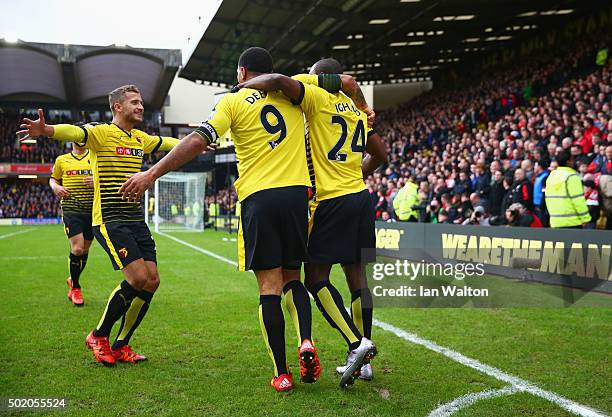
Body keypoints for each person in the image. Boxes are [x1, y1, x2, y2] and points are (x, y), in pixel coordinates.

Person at [118, 47, 364, 392]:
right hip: (298, 196)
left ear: (241, 72)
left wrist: (152, 174)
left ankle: (281, 372)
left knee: (269, 288)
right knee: (294, 277)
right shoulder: (296, 89)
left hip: (259, 198)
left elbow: (198, 139)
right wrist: (364, 106)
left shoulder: (232, 101)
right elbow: (348, 82)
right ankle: (306, 340)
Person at [18, 85, 183, 366]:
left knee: (152, 281)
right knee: (137, 278)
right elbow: (74, 132)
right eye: (134, 102)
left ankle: (121, 344)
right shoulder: (100, 133)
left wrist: (196, 140)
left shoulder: (140, 138)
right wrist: (46, 131)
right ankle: (98, 335)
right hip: (109, 218)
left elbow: (165, 143)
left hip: (135, 218)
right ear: (117, 107)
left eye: (141, 102)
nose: (140, 106)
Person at [291, 58, 387, 383]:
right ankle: (365, 360)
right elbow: (382, 155)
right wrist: (357, 172)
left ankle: (358, 343)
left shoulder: (318, 100)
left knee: (315, 278)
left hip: (331, 200)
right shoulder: (355, 111)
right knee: (356, 276)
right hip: (361, 197)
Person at [50, 142, 94, 306]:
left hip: (92, 210)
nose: (80, 141)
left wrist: (97, 181)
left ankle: (72, 279)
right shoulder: (62, 160)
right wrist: (55, 187)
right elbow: (53, 179)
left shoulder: (95, 156)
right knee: (77, 249)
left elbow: (107, 178)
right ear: (72, 139)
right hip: (71, 208)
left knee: (85, 250)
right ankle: (76, 287)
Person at [545, 151, 591, 228]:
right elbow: (577, 200)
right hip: (573, 222)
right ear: (568, 161)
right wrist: (585, 219)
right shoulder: (572, 177)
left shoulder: (551, 176)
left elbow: (547, 199)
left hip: (555, 221)